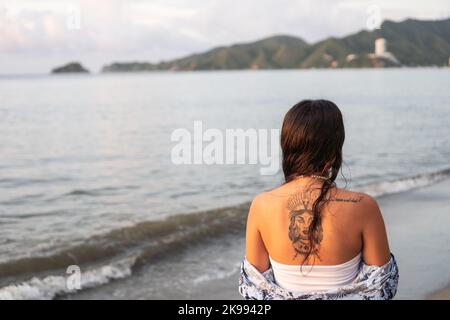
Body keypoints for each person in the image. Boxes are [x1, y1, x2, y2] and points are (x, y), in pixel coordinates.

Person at [239, 100, 398, 300]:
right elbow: (382, 287)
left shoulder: (262, 205)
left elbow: (254, 290)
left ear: (287, 145)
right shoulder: (363, 207)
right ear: (334, 150)